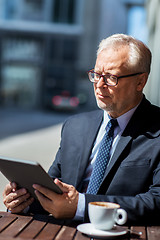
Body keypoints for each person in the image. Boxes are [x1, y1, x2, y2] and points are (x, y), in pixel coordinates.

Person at [3, 34, 160, 225]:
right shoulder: (74, 126)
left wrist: (81, 206)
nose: (99, 85)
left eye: (111, 77)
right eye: (96, 74)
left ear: (140, 82)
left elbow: (156, 202)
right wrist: (25, 202)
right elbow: (53, 190)